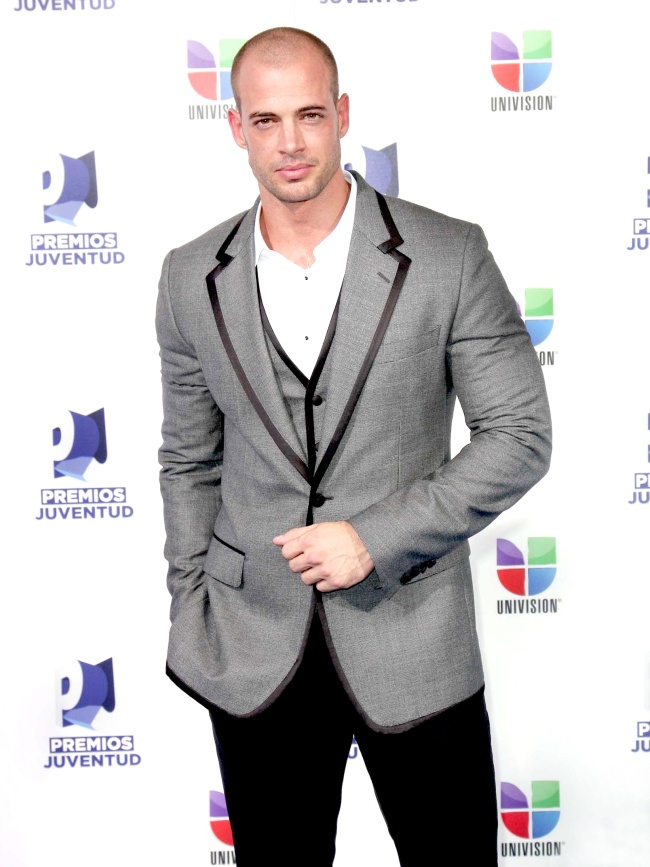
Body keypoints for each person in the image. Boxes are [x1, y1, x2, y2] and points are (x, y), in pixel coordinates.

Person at [156, 27, 551, 866]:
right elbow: (189, 460)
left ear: (342, 115)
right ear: (235, 127)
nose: (290, 143)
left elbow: (519, 435)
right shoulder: (189, 276)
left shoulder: (447, 255)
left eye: (308, 115)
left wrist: (375, 536)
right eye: (266, 120)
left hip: (414, 633)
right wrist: (193, 604)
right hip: (253, 646)